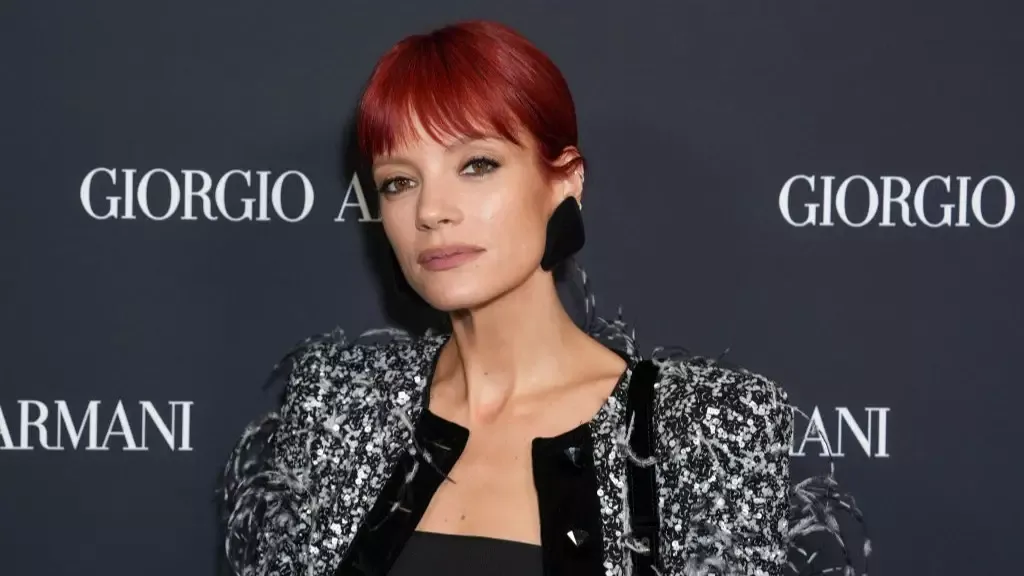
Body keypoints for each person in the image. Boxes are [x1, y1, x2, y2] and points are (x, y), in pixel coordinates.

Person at [222, 20, 866, 576]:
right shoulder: (339, 408)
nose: (431, 211)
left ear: (566, 181)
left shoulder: (702, 428)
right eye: (398, 182)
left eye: (477, 165)